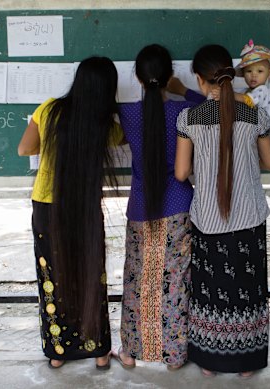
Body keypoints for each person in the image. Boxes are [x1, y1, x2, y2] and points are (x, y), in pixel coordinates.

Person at [175, 44, 270, 378]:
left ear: (202, 81)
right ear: (232, 76)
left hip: (208, 219)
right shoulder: (254, 115)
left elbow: (180, 172)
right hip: (249, 218)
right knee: (248, 289)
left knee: (210, 290)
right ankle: (248, 363)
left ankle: (210, 363)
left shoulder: (189, 118)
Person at [17, 56, 123, 370]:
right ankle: (100, 351)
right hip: (86, 207)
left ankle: (58, 353)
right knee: (92, 275)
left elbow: (24, 149)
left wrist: (50, 141)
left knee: (53, 277)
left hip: (47, 207)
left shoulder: (49, 109)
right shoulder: (105, 122)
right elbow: (126, 137)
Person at [114, 44, 204, 370]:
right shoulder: (185, 111)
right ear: (169, 76)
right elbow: (211, 104)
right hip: (179, 204)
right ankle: (174, 355)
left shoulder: (128, 113)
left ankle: (130, 352)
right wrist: (184, 90)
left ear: (137, 77)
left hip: (141, 206)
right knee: (175, 283)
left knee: (138, 282)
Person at [234, 39, 270, 144]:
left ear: (269, 73)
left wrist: (228, 94)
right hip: (252, 134)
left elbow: (249, 100)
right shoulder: (245, 91)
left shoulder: (263, 90)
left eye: (260, 71)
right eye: (249, 71)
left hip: (264, 137)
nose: (254, 75)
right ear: (243, 73)